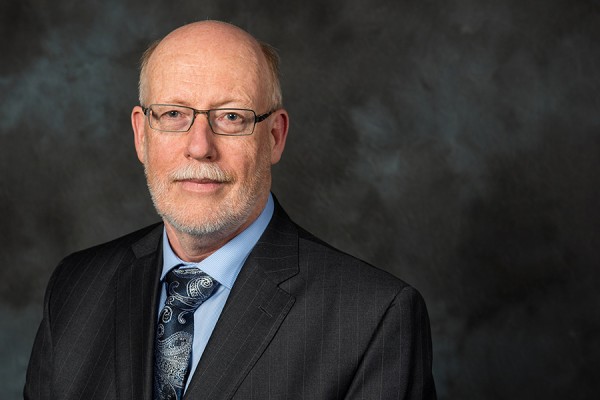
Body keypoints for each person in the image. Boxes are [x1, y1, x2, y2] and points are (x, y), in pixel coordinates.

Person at [24, 20, 436, 400]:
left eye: (231, 117)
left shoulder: (373, 318)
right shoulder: (75, 288)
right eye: (173, 114)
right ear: (141, 135)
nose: (200, 146)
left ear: (274, 137)